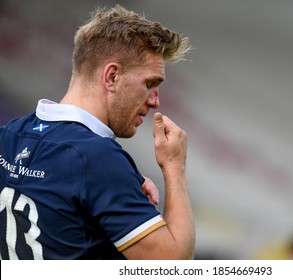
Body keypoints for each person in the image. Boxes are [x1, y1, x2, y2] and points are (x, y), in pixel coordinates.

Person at [0, 5, 195, 260]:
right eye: (149, 84)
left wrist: (118, 186)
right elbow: (173, 265)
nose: (155, 101)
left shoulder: (10, 135)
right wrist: (174, 168)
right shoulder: (97, 159)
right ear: (112, 76)